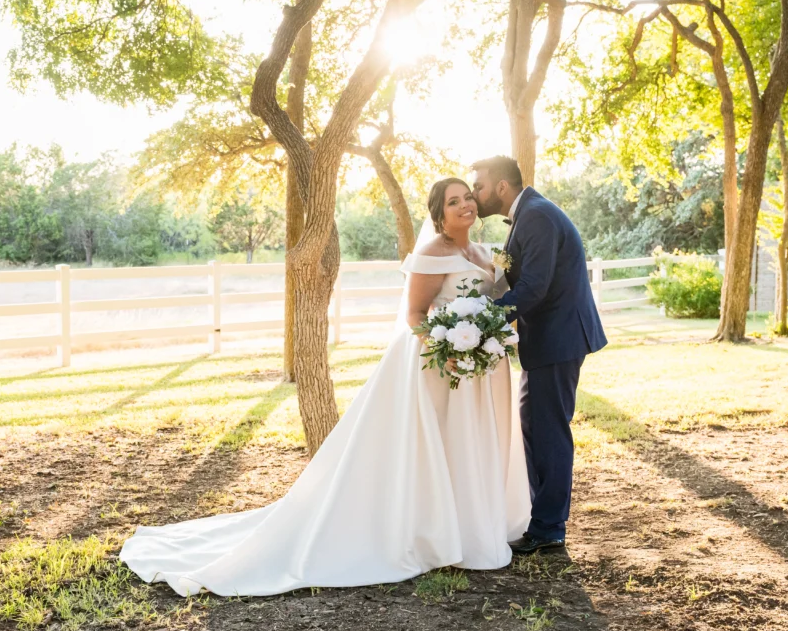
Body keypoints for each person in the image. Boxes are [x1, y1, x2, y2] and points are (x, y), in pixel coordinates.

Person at [119, 177, 530, 597]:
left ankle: (470, 529)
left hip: (480, 367)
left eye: (467, 198)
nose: (465, 206)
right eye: (453, 201)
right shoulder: (429, 254)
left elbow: (493, 303)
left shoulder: (485, 254)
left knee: (470, 444)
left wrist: (485, 339)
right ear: (439, 214)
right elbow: (414, 313)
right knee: (437, 444)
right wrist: (446, 349)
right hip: (439, 368)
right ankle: (431, 533)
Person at [471, 155, 607, 554]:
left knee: (549, 428)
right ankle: (542, 518)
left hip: (559, 338)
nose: (475, 194)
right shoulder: (526, 216)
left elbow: (533, 287)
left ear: (500, 187)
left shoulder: (537, 216)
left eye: (478, 186)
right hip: (547, 340)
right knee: (536, 423)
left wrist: (483, 321)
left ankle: (549, 527)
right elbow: (509, 276)